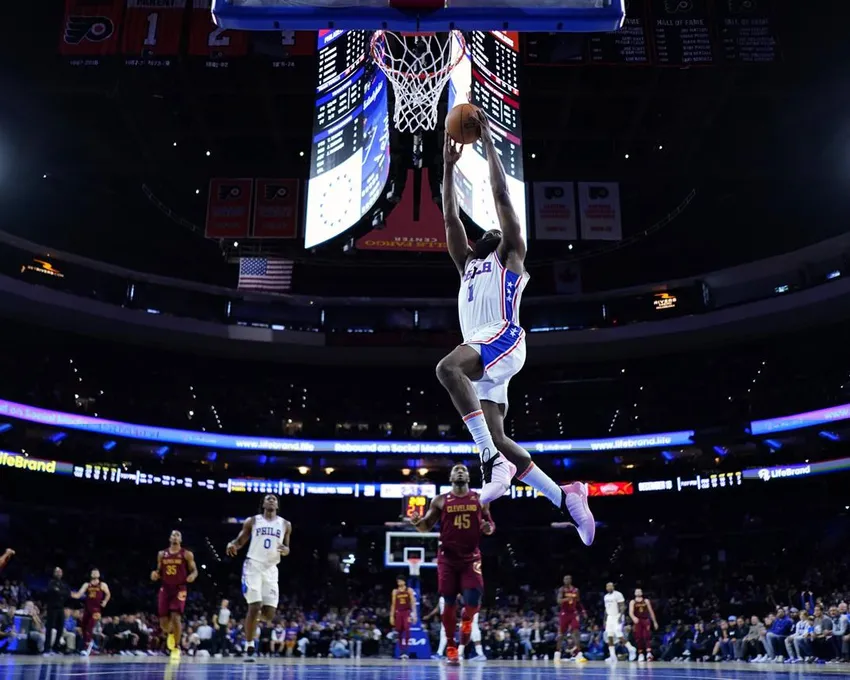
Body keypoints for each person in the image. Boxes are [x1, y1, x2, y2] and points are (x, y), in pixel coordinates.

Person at [437, 114, 594, 545]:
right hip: (482, 351)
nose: (490, 229)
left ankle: (490, 460)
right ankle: (565, 496)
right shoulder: (467, 264)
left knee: (447, 369)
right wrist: (447, 168)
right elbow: (450, 220)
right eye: (484, 230)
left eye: (496, 228)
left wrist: (489, 142)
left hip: (503, 337)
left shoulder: (510, 256)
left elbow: (501, 194)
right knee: (499, 435)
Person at [410, 463, 493, 665]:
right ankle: (451, 646)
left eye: (464, 470)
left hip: (470, 558)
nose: (460, 472)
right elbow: (425, 527)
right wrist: (416, 522)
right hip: (447, 558)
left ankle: (467, 621)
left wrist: (488, 527)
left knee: (473, 603)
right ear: (450, 477)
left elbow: (490, 524)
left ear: (468, 477)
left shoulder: (480, 499)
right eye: (456, 470)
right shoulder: (440, 500)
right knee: (448, 602)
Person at [226, 494, 292, 663]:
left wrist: (286, 550)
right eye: (268, 498)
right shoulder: (253, 521)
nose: (271, 500)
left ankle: (250, 621)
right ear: (263, 504)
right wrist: (232, 544)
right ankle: (249, 645)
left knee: (269, 615)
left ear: (277, 505)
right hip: (253, 566)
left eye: (274, 499)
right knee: (254, 606)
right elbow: (240, 540)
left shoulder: (285, 524)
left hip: (271, 569)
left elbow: (286, 548)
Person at [151, 529, 198, 660]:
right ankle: (171, 633)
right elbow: (158, 570)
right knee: (163, 623)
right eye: (173, 535)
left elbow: (195, 570)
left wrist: (193, 576)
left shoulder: (186, 554)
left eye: (178, 535)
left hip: (180, 588)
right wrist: (155, 574)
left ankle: (176, 647)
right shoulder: (162, 554)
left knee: (176, 617)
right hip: (165, 588)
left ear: (180, 539)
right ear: (170, 538)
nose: (175, 537)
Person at [71, 568, 110, 656]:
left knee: (89, 627)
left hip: (96, 611)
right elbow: (78, 595)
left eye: (96, 572)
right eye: (93, 572)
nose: (95, 573)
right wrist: (69, 594)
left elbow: (108, 594)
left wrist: (105, 601)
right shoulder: (86, 585)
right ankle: (88, 643)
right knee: (84, 628)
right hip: (87, 610)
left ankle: (87, 647)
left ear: (99, 574)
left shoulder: (102, 585)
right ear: (90, 574)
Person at [554, 574, 586, 662]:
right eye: (565, 579)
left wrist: (583, 611)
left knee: (576, 632)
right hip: (564, 614)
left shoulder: (576, 590)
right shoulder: (562, 589)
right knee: (561, 634)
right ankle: (557, 653)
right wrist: (567, 599)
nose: (566, 580)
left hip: (573, 613)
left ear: (570, 580)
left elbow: (578, 602)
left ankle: (579, 654)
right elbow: (558, 601)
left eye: (568, 579)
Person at [390, 575, 417, 660]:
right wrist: (391, 616)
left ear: (404, 582)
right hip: (398, 613)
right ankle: (402, 651)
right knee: (399, 631)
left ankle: (406, 651)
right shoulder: (395, 591)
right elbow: (393, 604)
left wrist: (414, 615)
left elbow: (413, 603)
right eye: (397, 581)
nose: (398, 582)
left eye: (400, 581)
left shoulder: (409, 590)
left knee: (407, 630)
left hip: (407, 612)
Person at [603, 582, 631, 663]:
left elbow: (622, 606)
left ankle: (630, 648)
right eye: (607, 586)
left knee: (618, 634)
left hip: (617, 616)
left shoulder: (618, 594)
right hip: (610, 617)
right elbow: (606, 609)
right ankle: (613, 656)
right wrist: (605, 620)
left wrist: (620, 616)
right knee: (609, 636)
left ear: (613, 587)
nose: (609, 587)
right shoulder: (605, 596)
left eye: (610, 586)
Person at [45, 567, 70, 654]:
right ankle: (47, 649)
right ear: (54, 573)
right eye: (57, 571)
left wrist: (59, 592)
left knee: (60, 628)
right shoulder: (51, 583)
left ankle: (56, 648)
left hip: (61, 608)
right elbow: (52, 591)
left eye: (60, 571)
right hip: (52, 608)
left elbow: (67, 593)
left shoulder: (63, 584)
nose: (59, 573)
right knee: (50, 628)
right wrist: (61, 593)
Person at [629, 588, 658, 662]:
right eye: (637, 591)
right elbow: (630, 612)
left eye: (640, 591)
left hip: (645, 620)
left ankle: (649, 653)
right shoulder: (632, 601)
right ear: (635, 593)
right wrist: (633, 617)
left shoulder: (646, 601)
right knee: (638, 637)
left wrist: (654, 622)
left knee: (647, 636)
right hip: (637, 621)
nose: (638, 592)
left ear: (642, 593)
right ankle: (640, 653)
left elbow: (651, 611)